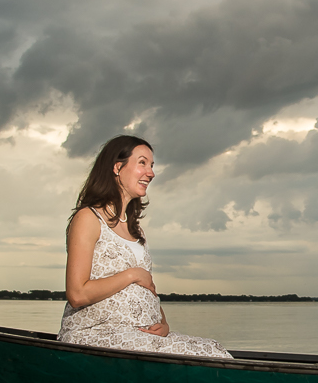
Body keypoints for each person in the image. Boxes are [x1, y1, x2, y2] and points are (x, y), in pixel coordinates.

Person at [57, 135, 232, 359]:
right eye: (142, 163)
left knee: (213, 348)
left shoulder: (135, 230)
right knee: (197, 356)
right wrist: (131, 274)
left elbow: (147, 287)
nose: (151, 172)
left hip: (140, 335)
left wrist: (164, 323)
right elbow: (77, 294)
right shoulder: (88, 218)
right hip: (96, 335)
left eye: (151, 165)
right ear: (117, 167)